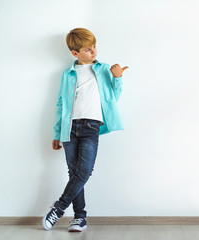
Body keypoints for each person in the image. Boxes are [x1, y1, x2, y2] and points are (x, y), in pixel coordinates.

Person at [42, 27, 129, 232]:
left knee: (84, 171)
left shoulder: (103, 69)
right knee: (74, 173)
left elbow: (112, 99)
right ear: (75, 53)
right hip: (69, 127)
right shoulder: (67, 74)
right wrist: (57, 134)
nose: (94, 52)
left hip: (91, 126)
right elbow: (61, 104)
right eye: (88, 50)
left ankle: (59, 207)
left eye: (95, 47)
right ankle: (79, 218)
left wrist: (117, 78)